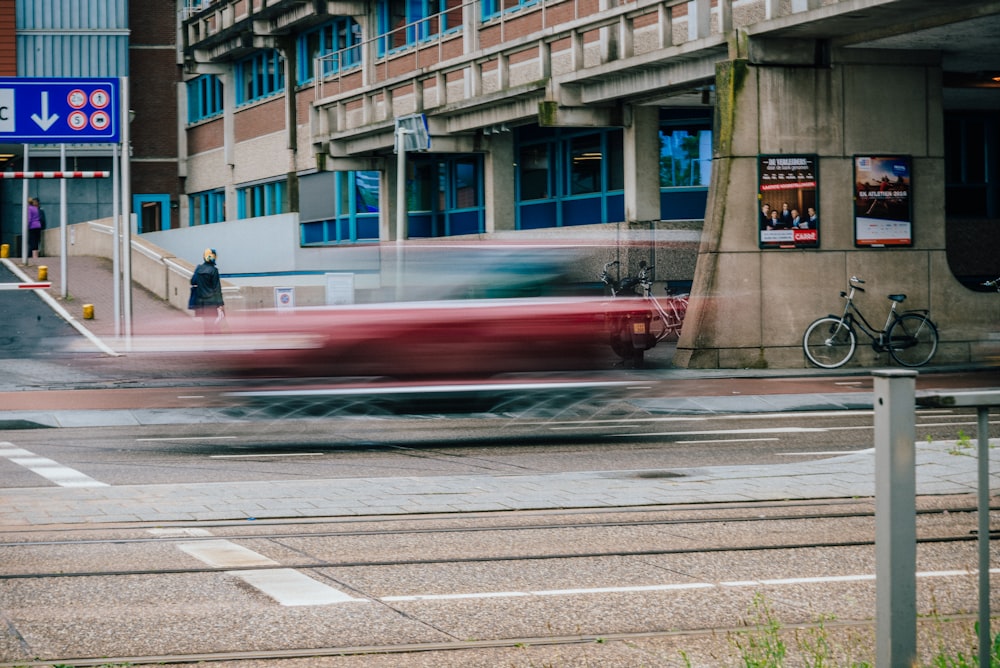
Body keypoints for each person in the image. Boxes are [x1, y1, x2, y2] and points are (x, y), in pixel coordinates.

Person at [190, 248, 225, 333]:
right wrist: (220, 304)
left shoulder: (198, 269)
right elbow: (217, 289)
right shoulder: (214, 271)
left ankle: (207, 342)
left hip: (201, 302)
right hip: (212, 302)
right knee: (215, 325)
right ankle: (215, 343)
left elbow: (193, 282)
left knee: (206, 325)